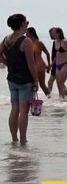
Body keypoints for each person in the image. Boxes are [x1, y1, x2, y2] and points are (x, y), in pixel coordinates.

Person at [0, 14, 38, 144]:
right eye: (26, 22)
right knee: (23, 111)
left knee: (14, 109)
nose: (27, 23)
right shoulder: (26, 41)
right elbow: (31, 63)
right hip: (25, 80)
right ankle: (23, 139)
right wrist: (36, 80)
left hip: (11, 78)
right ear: (22, 24)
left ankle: (14, 139)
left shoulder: (6, 39)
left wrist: (7, 63)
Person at [26, 27, 51, 97]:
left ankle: (50, 98)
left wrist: (49, 65)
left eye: (27, 32)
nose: (25, 34)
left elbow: (47, 53)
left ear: (31, 33)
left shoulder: (39, 43)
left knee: (42, 84)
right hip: (31, 66)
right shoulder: (27, 43)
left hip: (40, 66)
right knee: (31, 84)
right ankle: (32, 101)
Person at [47, 28, 57, 93]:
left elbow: (56, 56)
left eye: (51, 34)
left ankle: (49, 96)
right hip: (55, 65)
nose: (50, 36)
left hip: (57, 65)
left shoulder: (57, 42)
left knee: (50, 82)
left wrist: (51, 65)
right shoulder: (55, 42)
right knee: (51, 82)